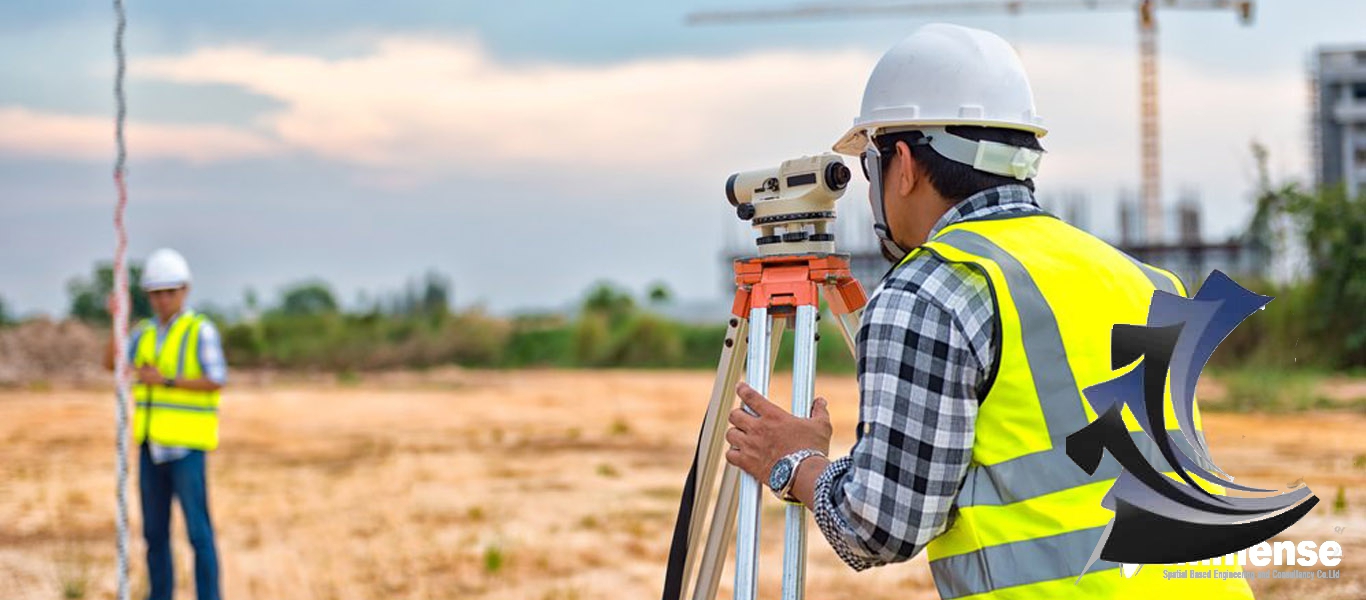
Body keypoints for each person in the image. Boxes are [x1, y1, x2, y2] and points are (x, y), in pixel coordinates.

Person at [721, 23, 1254, 599]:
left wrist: (793, 463)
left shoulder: (929, 291)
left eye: (872, 164)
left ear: (902, 164)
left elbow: (876, 529)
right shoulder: (1144, 279)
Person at [104, 248, 225, 600]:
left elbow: (216, 378)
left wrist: (166, 380)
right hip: (150, 446)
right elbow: (111, 363)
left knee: (198, 534)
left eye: (169, 292)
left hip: (186, 448)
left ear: (184, 291)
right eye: (155, 293)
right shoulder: (141, 333)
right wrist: (116, 322)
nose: (162, 300)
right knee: (154, 535)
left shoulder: (199, 330)